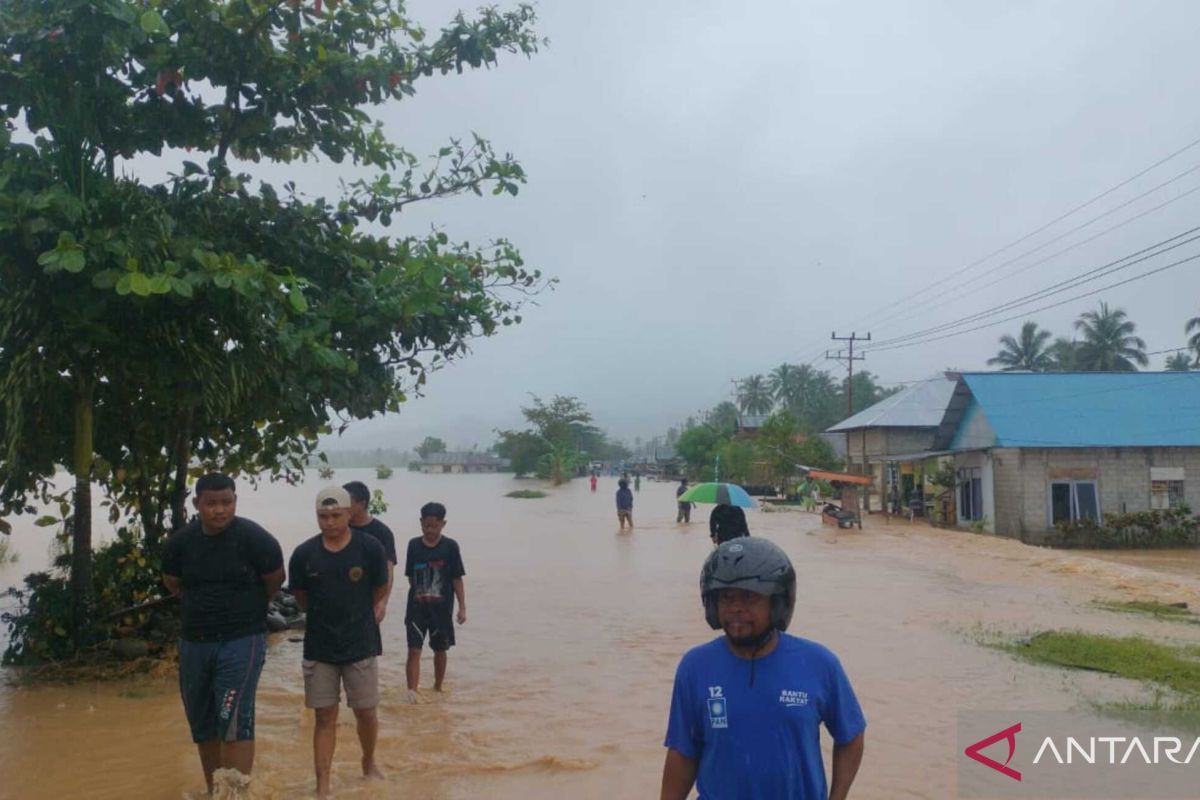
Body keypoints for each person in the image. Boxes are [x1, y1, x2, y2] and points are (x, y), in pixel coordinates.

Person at [661, 538, 866, 800]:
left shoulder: (820, 664)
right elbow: (682, 753)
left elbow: (851, 736)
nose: (736, 608)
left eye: (750, 597)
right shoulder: (694, 667)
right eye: (727, 597)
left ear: (777, 603)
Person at [161, 473, 285, 795]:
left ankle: (237, 794)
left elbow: (274, 580)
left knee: (233, 720)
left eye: (226, 502)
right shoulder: (180, 544)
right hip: (194, 642)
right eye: (211, 503)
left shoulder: (256, 539)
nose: (220, 510)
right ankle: (215, 791)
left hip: (241, 640)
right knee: (202, 723)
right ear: (196, 504)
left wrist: (248, 609)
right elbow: (173, 584)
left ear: (235, 501)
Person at [288, 486, 390, 799]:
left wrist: (359, 615)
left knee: (366, 713)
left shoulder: (370, 547)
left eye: (336, 515)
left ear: (349, 513)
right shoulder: (304, 554)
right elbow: (302, 599)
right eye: (323, 516)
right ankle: (323, 786)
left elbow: (380, 588)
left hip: (360, 643)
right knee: (324, 717)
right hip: (320, 647)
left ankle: (368, 760)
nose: (329, 522)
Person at [404, 502, 467, 698]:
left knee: (440, 650)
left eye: (434, 526)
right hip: (416, 609)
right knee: (414, 650)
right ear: (421, 523)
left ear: (443, 524)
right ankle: (412, 692)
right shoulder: (413, 545)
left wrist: (462, 608)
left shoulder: (450, 547)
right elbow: (410, 576)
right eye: (426, 526)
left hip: (441, 610)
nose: (429, 530)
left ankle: (438, 687)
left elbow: (457, 578)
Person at [343, 480, 398, 621]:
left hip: (369, 596)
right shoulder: (338, 529)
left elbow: (388, 570)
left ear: (362, 504)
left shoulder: (382, 533)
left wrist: (382, 602)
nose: (342, 507)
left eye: (346, 502)